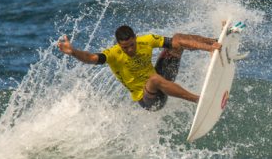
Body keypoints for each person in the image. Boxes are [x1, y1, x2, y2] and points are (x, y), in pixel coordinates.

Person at [58, 26, 221, 111]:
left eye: (131, 45)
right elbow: (91, 58)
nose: (129, 50)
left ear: (136, 38)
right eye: (124, 47)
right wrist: (73, 52)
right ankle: (199, 100)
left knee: (177, 39)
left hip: (161, 80)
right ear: (118, 45)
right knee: (154, 80)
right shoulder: (113, 54)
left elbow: (177, 43)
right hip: (148, 100)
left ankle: (213, 43)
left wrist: (208, 48)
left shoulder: (147, 40)